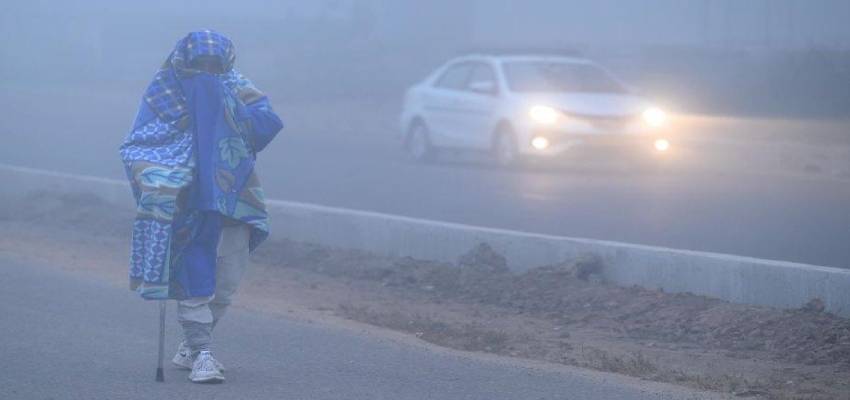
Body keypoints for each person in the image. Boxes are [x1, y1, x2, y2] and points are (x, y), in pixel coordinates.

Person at [119, 30, 283, 383]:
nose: (206, 72)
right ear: (184, 63)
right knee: (196, 274)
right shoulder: (164, 93)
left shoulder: (234, 85)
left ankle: (190, 347)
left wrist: (224, 104)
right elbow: (139, 146)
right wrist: (160, 180)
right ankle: (203, 353)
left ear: (225, 64)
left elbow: (266, 123)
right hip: (187, 200)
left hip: (233, 196)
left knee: (226, 281)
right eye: (199, 66)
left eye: (214, 65)